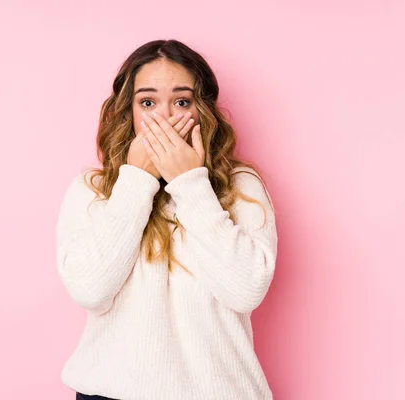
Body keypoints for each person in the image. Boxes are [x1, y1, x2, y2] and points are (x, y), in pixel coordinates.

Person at [56, 39, 278, 400]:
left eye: (181, 101)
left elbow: (245, 290)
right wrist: (135, 181)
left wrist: (190, 184)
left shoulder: (241, 187)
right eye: (147, 102)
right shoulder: (93, 190)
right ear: (128, 111)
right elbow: (89, 289)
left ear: (202, 110)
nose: (164, 117)